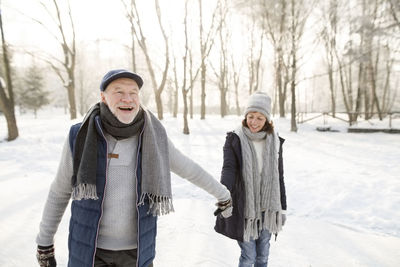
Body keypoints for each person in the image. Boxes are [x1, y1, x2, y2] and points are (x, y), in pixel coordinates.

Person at [36, 69, 232, 267]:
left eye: (133, 93)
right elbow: (60, 191)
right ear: (103, 97)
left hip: (136, 253)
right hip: (89, 251)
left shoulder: (153, 137)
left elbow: (189, 168)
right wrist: (44, 243)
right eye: (118, 92)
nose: (127, 99)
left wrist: (223, 194)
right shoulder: (81, 135)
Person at [214, 92, 287, 267]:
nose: (253, 122)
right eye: (250, 116)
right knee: (249, 256)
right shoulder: (235, 139)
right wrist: (224, 196)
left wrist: (282, 208)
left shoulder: (275, 141)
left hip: (268, 208)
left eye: (259, 118)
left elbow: (279, 175)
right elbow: (229, 170)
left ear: (267, 120)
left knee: (263, 256)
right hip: (245, 208)